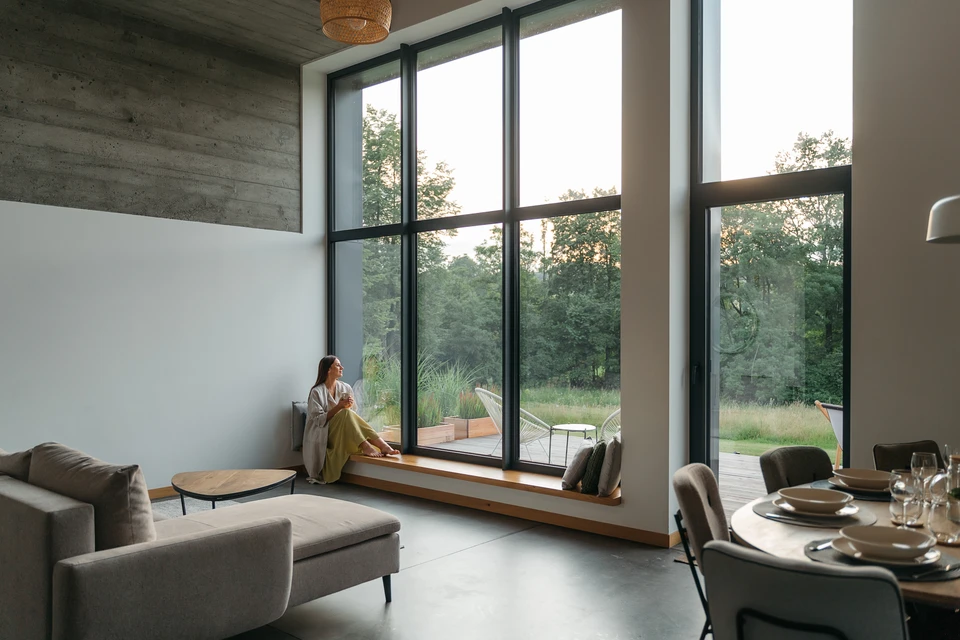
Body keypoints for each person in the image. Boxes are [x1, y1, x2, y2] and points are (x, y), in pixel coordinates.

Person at [304, 355, 399, 484]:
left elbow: (353, 415)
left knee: (347, 413)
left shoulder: (346, 388)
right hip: (324, 432)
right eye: (338, 365)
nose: (342, 367)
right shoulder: (316, 392)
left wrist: (348, 406)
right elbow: (319, 421)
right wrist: (339, 407)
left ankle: (382, 445)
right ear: (328, 370)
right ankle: (367, 445)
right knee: (345, 413)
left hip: (342, 431)